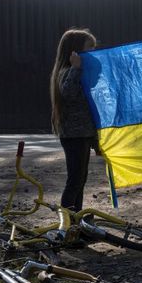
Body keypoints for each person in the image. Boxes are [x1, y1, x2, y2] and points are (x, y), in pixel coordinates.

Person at [50, 28, 98, 214]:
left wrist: (95, 141)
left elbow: (89, 108)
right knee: (75, 181)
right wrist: (76, 68)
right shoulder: (67, 72)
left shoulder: (79, 73)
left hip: (84, 134)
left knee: (81, 180)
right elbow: (68, 93)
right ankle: (67, 226)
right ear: (74, 51)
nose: (93, 52)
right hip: (73, 136)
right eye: (89, 48)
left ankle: (76, 221)